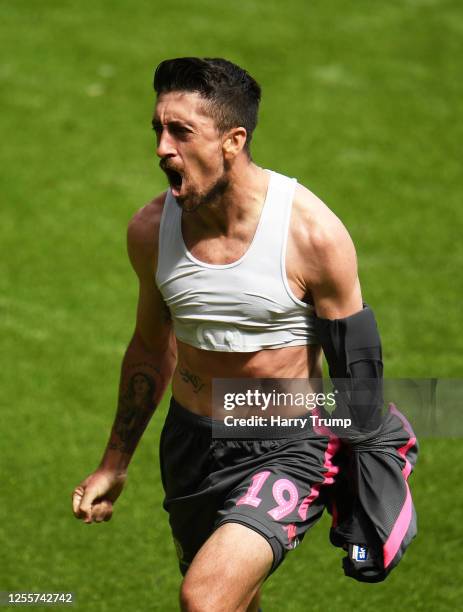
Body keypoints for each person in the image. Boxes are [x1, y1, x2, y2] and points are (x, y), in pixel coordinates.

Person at [72, 57, 388, 611]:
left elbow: (358, 367)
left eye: (181, 132)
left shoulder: (312, 235)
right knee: (236, 601)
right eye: (158, 130)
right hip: (190, 443)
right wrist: (114, 462)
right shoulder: (151, 230)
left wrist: (371, 482)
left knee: (205, 598)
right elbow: (150, 346)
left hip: (286, 447)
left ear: (232, 141)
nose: (162, 149)